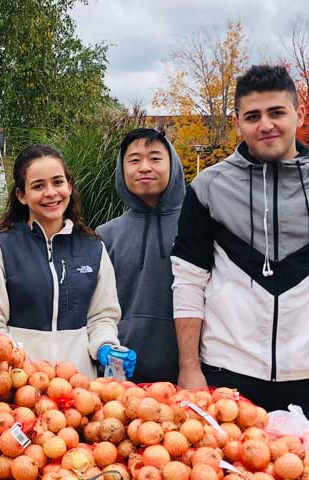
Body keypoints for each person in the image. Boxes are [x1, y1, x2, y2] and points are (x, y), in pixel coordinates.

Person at [172, 65, 309, 458]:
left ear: (299, 115)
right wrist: (189, 368)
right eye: (252, 116)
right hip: (227, 376)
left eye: (276, 112)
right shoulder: (208, 188)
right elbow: (188, 281)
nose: (265, 125)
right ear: (238, 123)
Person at [0, 144, 129, 379]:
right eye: (38, 186)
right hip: (20, 387)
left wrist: (105, 346)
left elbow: (102, 316)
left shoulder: (93, 248)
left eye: (58, 182)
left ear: (69, 185)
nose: (51, 193)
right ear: (22, 195)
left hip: (80, 387)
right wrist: (20, 372)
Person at [95, 128, 184, 383]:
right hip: (122, 376)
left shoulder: (197, 226)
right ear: (122, 170)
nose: (144, 167)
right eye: (134, 160)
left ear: (173, 164)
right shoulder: (105, 235)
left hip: (188, 374)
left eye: (155, 158)